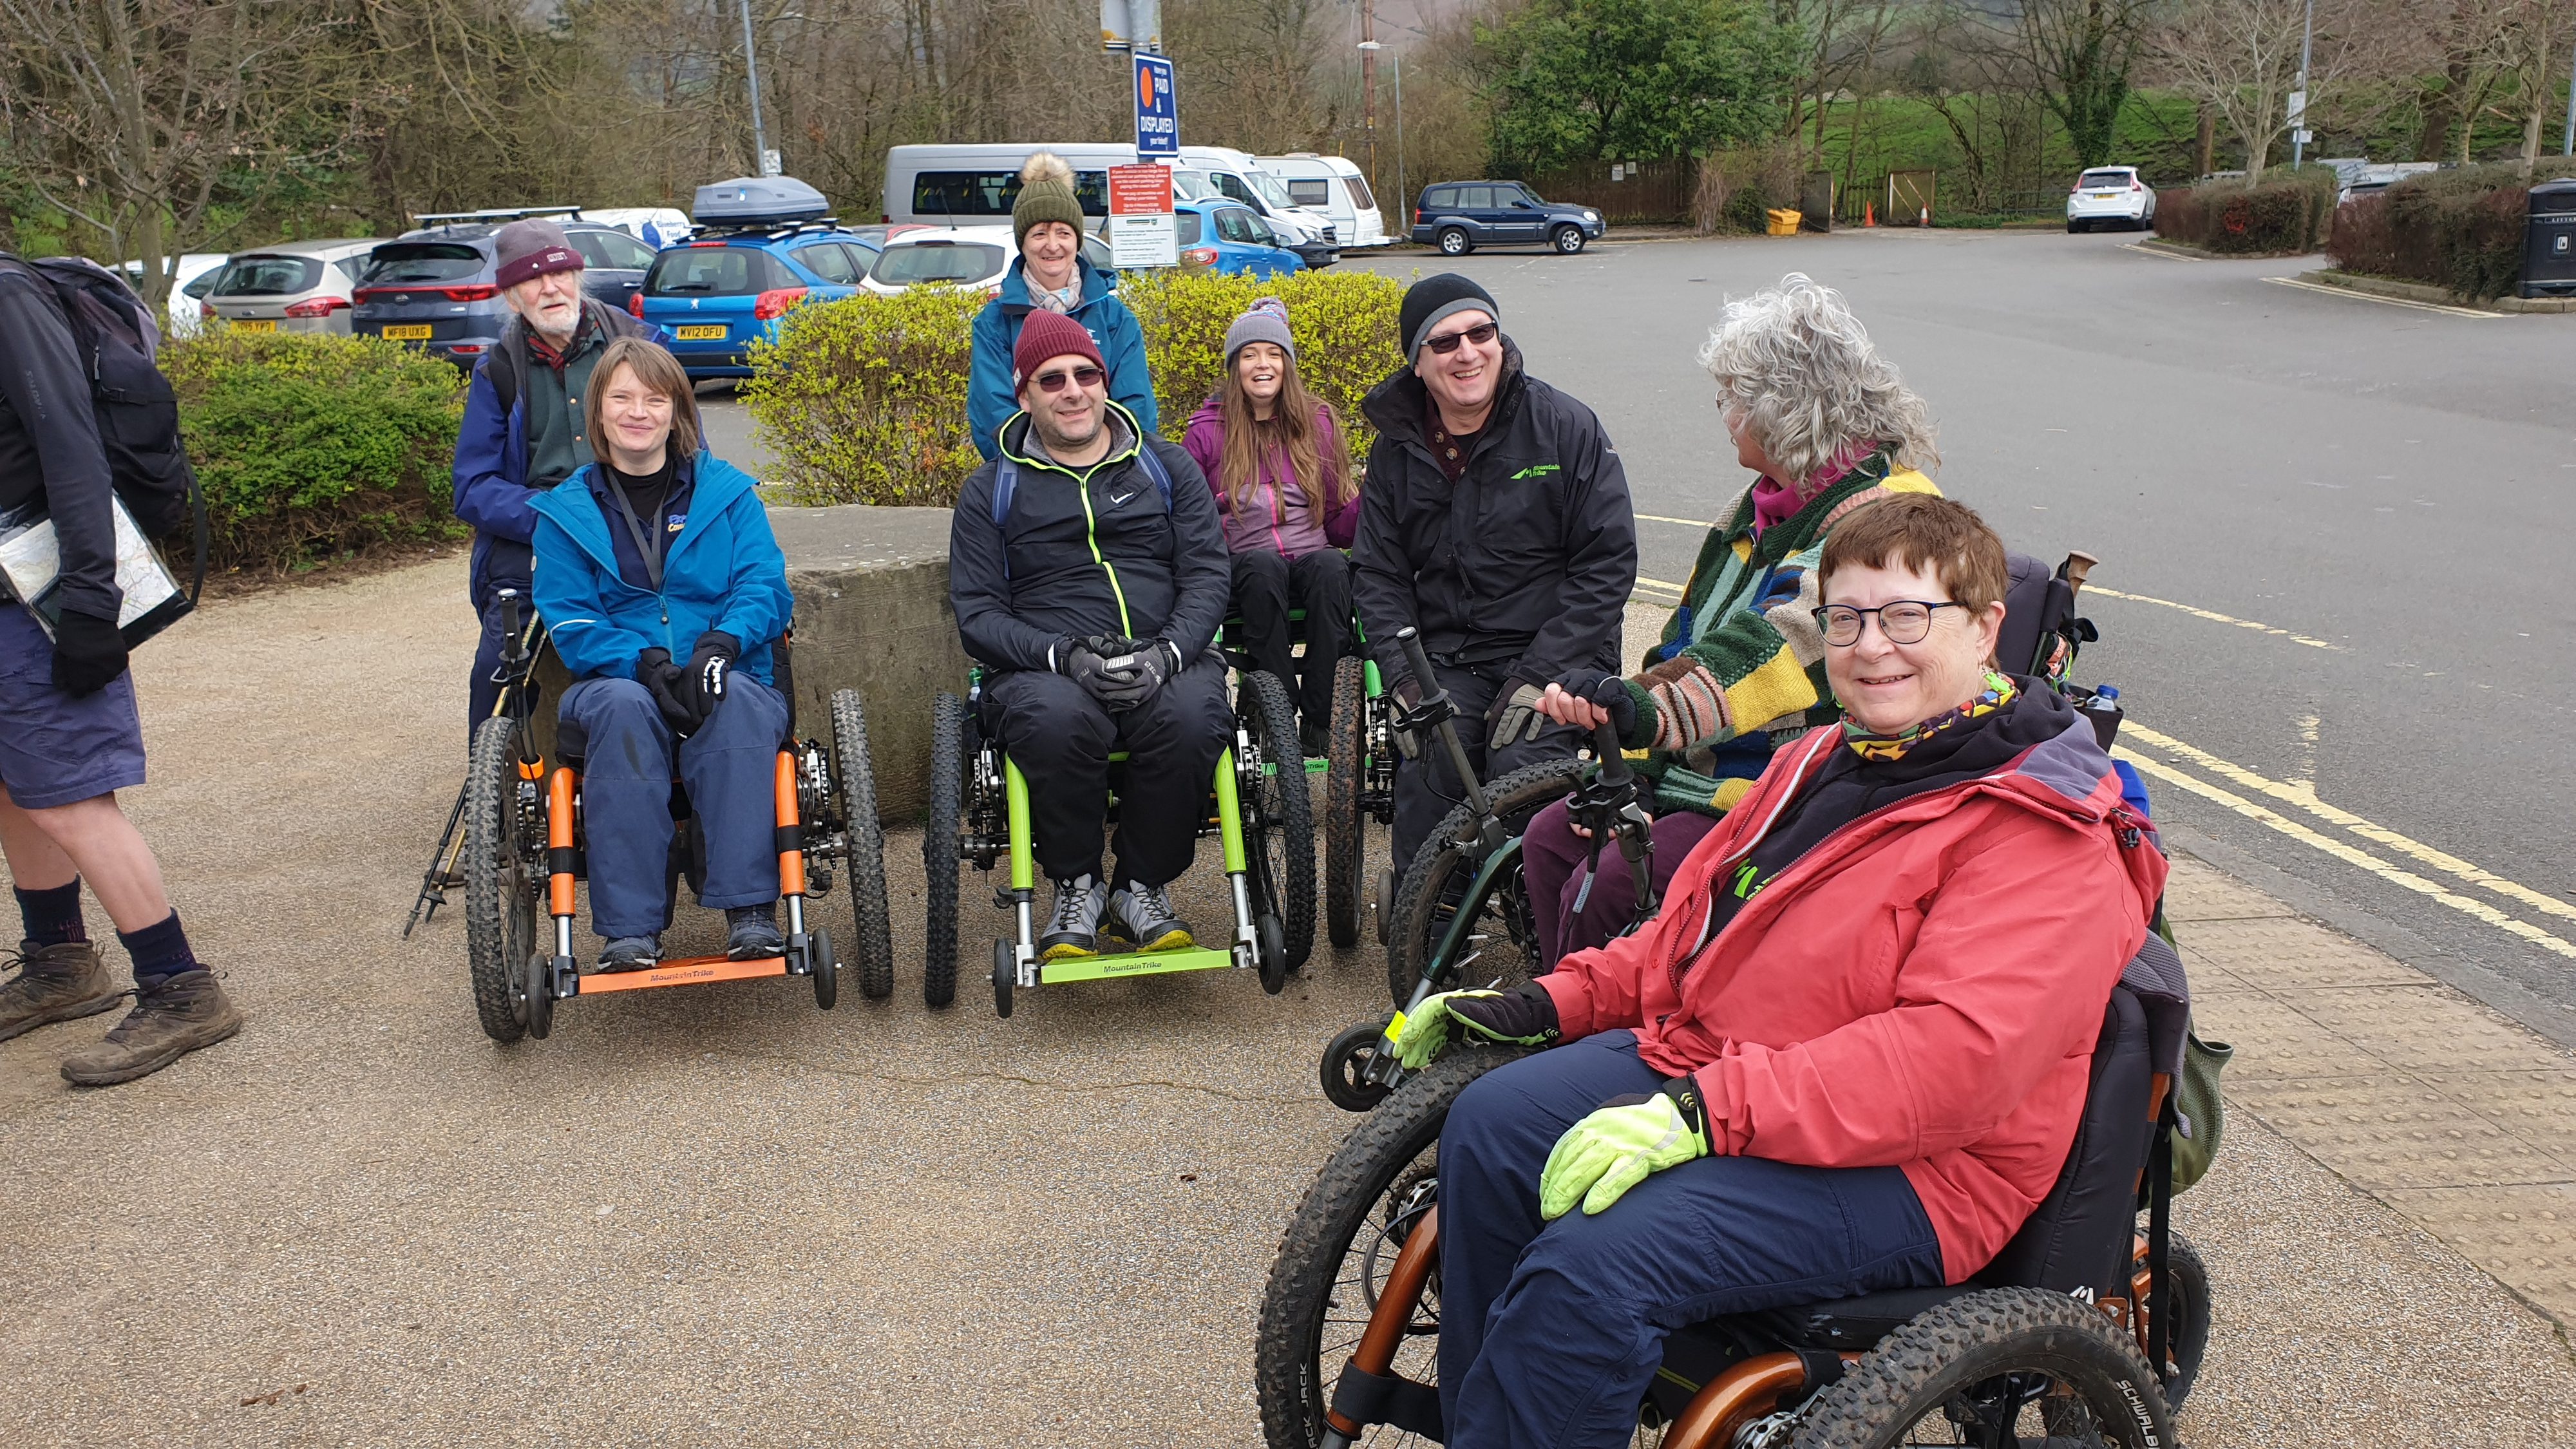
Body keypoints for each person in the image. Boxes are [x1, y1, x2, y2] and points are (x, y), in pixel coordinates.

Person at [1396, 495, 2167, 1447]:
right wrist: (1542, 1003)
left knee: (1598, 1259)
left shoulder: (2045, 833)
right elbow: (1686, 936)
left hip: (1922, 1166)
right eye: (1846, 618)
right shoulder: (1818, 760)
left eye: (1906, 616)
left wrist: (1706, 1112)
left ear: (1985, 630)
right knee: (1492, 1126)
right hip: (1735, 1065)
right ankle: (1504, 1421)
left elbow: (1951, 1064)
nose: (1870, 645)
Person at [1523, 274, 1942, 967]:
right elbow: (1685, 633)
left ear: (1784, 411)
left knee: (1611, 884)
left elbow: (1780, 649)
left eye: (1731, 398)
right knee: (1547, 840)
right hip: (1693, 771)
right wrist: (1632, 715)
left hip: (1787, 794)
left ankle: (1617, 1038)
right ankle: (1562, 1002)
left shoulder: (1887, 517)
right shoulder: (1761, 503)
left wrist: (1645, 711)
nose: (1721, 412)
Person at [0, 254, 244, 1085]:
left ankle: (182, 987)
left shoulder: (6, 294)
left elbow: (71, 450)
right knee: (14, 784)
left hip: (41, 592)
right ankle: (61, 963)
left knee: (72, 795)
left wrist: (91, 603)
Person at [949, 310, 1232, 961]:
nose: (1072, 391)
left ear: (1105, 383)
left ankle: (1140, 887)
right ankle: (1076, 884)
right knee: (1053, 721)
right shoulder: (991, 489)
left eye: (1085, 375)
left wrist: (1167, 656)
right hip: (1046, 665)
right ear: (1024, 395)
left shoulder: (1165, 467)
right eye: (1052, 381)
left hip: (1163, 651)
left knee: (1193, 717)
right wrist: (1062, 657)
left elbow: (1208, 575)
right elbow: (978, 613)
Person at [1350, 274, 1636, 869]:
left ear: (1500, 342)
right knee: (1435, 765)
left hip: (1557, 654)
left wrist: (1539, 676)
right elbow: (1378, 576)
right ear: (1418, 364)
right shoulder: (1395, 450)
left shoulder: (1565, 426)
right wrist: (1406, 683)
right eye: (1445, 341)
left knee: (1524, 766)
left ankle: (1543, 924)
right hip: (1449, 660)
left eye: (1481, 332)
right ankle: (1432, 936)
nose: (1467, 352)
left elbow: (1606, 564)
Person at [528, 338, 793, 971]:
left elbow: (764, 582)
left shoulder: (728, 494)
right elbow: (570, 616)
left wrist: (720, 645)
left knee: (736, 707)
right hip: (619, 681)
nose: (638, 412)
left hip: (722, 667)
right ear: (597, 415)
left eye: (655, 398)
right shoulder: (563, 515)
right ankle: (630, 931)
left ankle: (751, 911)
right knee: (620, 708)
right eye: (621, 397)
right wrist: (642, 663)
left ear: (677, 412)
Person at [451, 218, 670, 736]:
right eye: (532, 280)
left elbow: (688, 450)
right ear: (511, 297)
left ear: (579, 276)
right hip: (541, 534)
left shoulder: (640, 342)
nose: (550, 288)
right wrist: (556, 518)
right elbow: (472, 488)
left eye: (561, 274)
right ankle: (495, 790)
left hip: (638, 519)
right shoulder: (498, 369)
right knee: (498, 668)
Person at [1180, 297, 1358, 757]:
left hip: (1310, 560)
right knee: (1261, 568)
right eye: (1250, 355)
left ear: (1288, 364)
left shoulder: (1317, 423)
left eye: (1274, 354)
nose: (1263, 364)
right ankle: (1276, 710)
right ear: (1234, 367)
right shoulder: (1206, 432)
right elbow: (1191, 522)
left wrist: (1375, 502)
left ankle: (1322, 717)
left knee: (1332, 568)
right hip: (1247, 567)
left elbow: (1339, 524)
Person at [967, 152, 1156, 462]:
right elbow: (992, 413)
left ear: (1077, 241)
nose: (1053, 246)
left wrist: (1103, 464)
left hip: (1108, 473)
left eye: (1064, 233)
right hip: (1029, 477)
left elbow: (1136, 408)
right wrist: (1043, 467)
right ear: (1023, 242)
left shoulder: (1116, 319)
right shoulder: (994, 324)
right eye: (1039, 233)